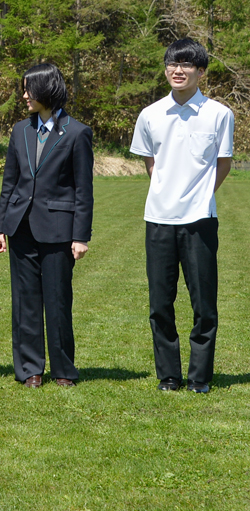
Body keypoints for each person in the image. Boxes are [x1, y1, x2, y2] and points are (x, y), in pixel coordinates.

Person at [130, 38, 234, 394]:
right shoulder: (150, 114)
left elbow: (223, 164)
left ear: (200, 71)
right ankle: (169, 376)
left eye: (187, 64)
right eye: (172, 64)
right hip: (158, 219)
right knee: (160, 304)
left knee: (204, 305)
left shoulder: (219, 114)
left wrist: (199, 196)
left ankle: (199, 378)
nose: (178, 70)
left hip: (200, 220)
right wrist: (168, 194)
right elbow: (151, 164)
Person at [0, 63, 93, 388]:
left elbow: (84, 189)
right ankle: (30, 370)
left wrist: (80, 236)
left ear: (47, 90)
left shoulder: (77, 133)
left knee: (58, 301)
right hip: (20, 228)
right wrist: (1, 227)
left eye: (29, 89)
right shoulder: (19, 130)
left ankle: (64, 370)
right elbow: (9, 183)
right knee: (25, 301)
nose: (24, 95)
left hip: (59, 231)